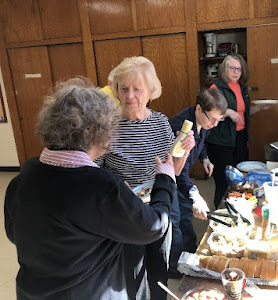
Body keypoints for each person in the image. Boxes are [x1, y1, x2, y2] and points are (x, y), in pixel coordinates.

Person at [4, 77, 176, 300]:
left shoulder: (25, 176)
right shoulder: (101, 186)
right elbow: (153, 226)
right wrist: (165, 179)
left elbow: (14, 233)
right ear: (95, 130)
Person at [95, 56, 195, 299]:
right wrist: (116, 188)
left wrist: (185, 151)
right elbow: (94, 172)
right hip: (125, 210)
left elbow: (173, 171)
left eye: (137, 89)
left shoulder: (161, 123)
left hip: (160, 207)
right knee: (133, 271)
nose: (130, 96)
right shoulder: (107, 125)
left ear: (150, 91)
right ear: (116, 89)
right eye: (124, 88)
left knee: (159, 269)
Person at [168, 88, 228, 277]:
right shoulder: (180, 128)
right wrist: (195, 195)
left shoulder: (205, 123)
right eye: (212, 119)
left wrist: (205, 158)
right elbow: (179, 172)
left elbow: (203, 141)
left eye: (220, 119)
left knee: (186, 213)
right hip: (168, 177)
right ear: (200, 109)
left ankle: (189, 253)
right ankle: (175, 267)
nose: (215, 124)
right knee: (174, 221)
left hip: (181, 177)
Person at [208, 54, 270, 209]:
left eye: (239, 69)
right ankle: (221, 211)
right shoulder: (216, 88)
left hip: (239, 138)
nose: (236, 72)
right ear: (225, 69)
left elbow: (242, 113)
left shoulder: (242, 88)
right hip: (221, 141)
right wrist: (228, 112)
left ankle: (237, 209)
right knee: (224, 179)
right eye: (232, 68)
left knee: (240, 176)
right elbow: (209, 111)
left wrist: (257, 109)